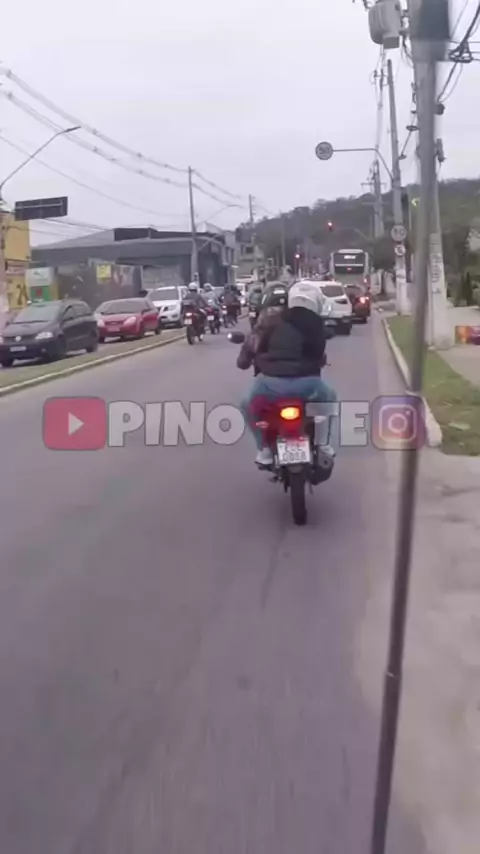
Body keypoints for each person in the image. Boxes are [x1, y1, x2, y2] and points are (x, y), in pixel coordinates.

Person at [238, 281, 337, 466]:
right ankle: (323, 444)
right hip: (308, 385)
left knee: (247, 405)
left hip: (269, 384)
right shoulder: (315, 325)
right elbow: (319, 355)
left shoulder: (268, 323)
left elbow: (253, 346)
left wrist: (247, 361)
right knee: (329, 400)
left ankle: (264, 450)